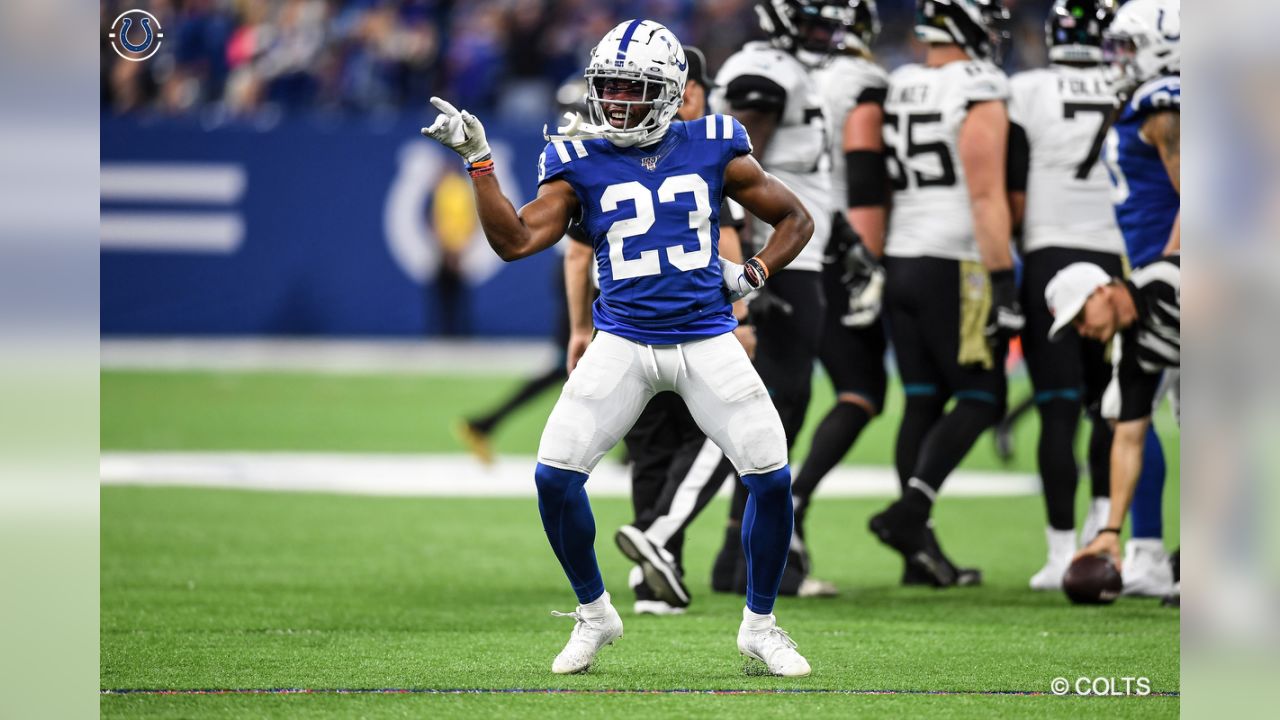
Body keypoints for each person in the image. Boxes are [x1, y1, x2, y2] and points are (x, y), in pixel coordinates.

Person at [421, 19, 815, 676]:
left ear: (669, 90)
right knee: (553, 477)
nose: (619, 102)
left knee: (771, 479)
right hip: (623, 341)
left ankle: (761, 626)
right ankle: (595, 613)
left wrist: (752, 276)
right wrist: (480, 163)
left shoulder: (715, 141)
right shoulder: (578, 157)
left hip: (706, 337)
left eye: (634, 89)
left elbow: (795, 219)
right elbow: (516, 241)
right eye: (610, 88)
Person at [563, 47, 756, 616]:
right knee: (692, 442)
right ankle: (658, 552)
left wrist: (579, 328)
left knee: (662, 448)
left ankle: (656, 565)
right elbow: (579, 253)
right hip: (671, 324)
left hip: (645, 322)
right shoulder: (700, 153)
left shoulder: (704, 148)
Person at [869, 0, 1021, 587]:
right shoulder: (978, 84)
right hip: (956, 261)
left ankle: (919, 556)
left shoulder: (901, 82)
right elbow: (984, 195)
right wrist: (1003, 279)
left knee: (923, 399)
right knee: (983, 396)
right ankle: (911, 516)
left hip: (902, 257)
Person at [698, 0, 847, 597]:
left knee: (781, 407)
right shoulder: (766, 72)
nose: (824, 35)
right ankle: (746, 557)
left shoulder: (781, 66)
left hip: (792, 258)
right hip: (779, 263)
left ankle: (738, 557)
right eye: (813, 23)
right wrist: (751, 273)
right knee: (777, 408)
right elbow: (735, 171)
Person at [1007, 0, 1125, 590]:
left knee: (1057, 407)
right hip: (1115, 250)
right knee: (1114, 408)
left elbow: (1014, 179)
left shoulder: (1027, 88)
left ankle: (1058, 554)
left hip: (1049, 248)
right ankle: (1103, 542)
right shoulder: (1128, 82)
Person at [787, 0, 889, 594]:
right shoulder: (863, 81)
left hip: (783, 244)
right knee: (860, 390)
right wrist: (867, 264)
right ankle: (790, 512)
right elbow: (865, 170)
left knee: (788, 395)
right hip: (834, 247)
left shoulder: (791, 72)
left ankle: (746, 539)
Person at [1095, 0, 1180, 597]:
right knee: (1130, 410)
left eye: (1129, 46)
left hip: (1178, 279)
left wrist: (1168, 272)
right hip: (1157, 274)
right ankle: (1144, 548)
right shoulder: (1145, 102)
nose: (1119, 60)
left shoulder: (1166, 103)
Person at [1050, 258, 1180, 604]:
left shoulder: (1167, 282)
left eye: (1080, 316)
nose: (1081, 330)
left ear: (1101, 292)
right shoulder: (1134, 351)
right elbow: (1128, 441)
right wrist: (1110, 530)